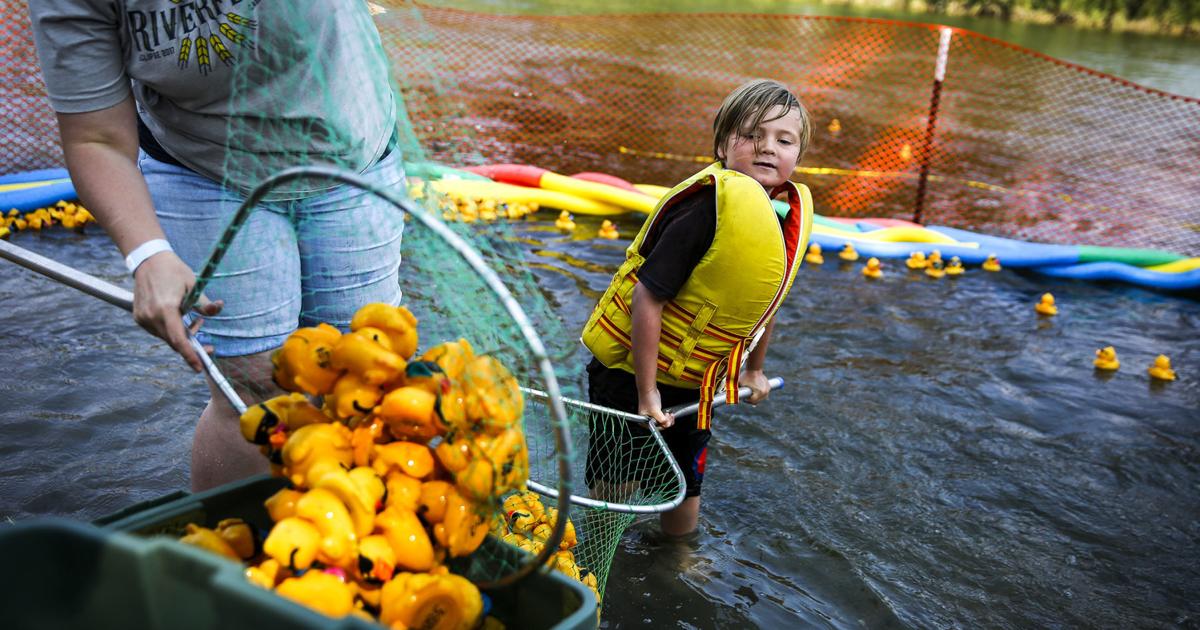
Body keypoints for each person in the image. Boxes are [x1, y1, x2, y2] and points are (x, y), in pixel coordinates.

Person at [29, 2, 405, 491]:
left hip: (349, 153)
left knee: (361, 374)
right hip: (203, 168)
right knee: (249, 390)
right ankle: (233, 549)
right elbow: (96, 138)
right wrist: (148, 254)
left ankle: (359, 543)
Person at [581, 79, 814, 536]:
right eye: (751, 135)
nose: (767, 148)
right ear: (724, 144)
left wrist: (752, 371)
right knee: (616, 490)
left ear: (798, 156)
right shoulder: (705, 208)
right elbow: (648, 295)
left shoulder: (777, 218)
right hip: (630, 378)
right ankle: (600, 551)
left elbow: (766, 303)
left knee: (685, 486)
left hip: (695, 386)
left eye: (783, 140)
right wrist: (648, 394)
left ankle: (677, 557)